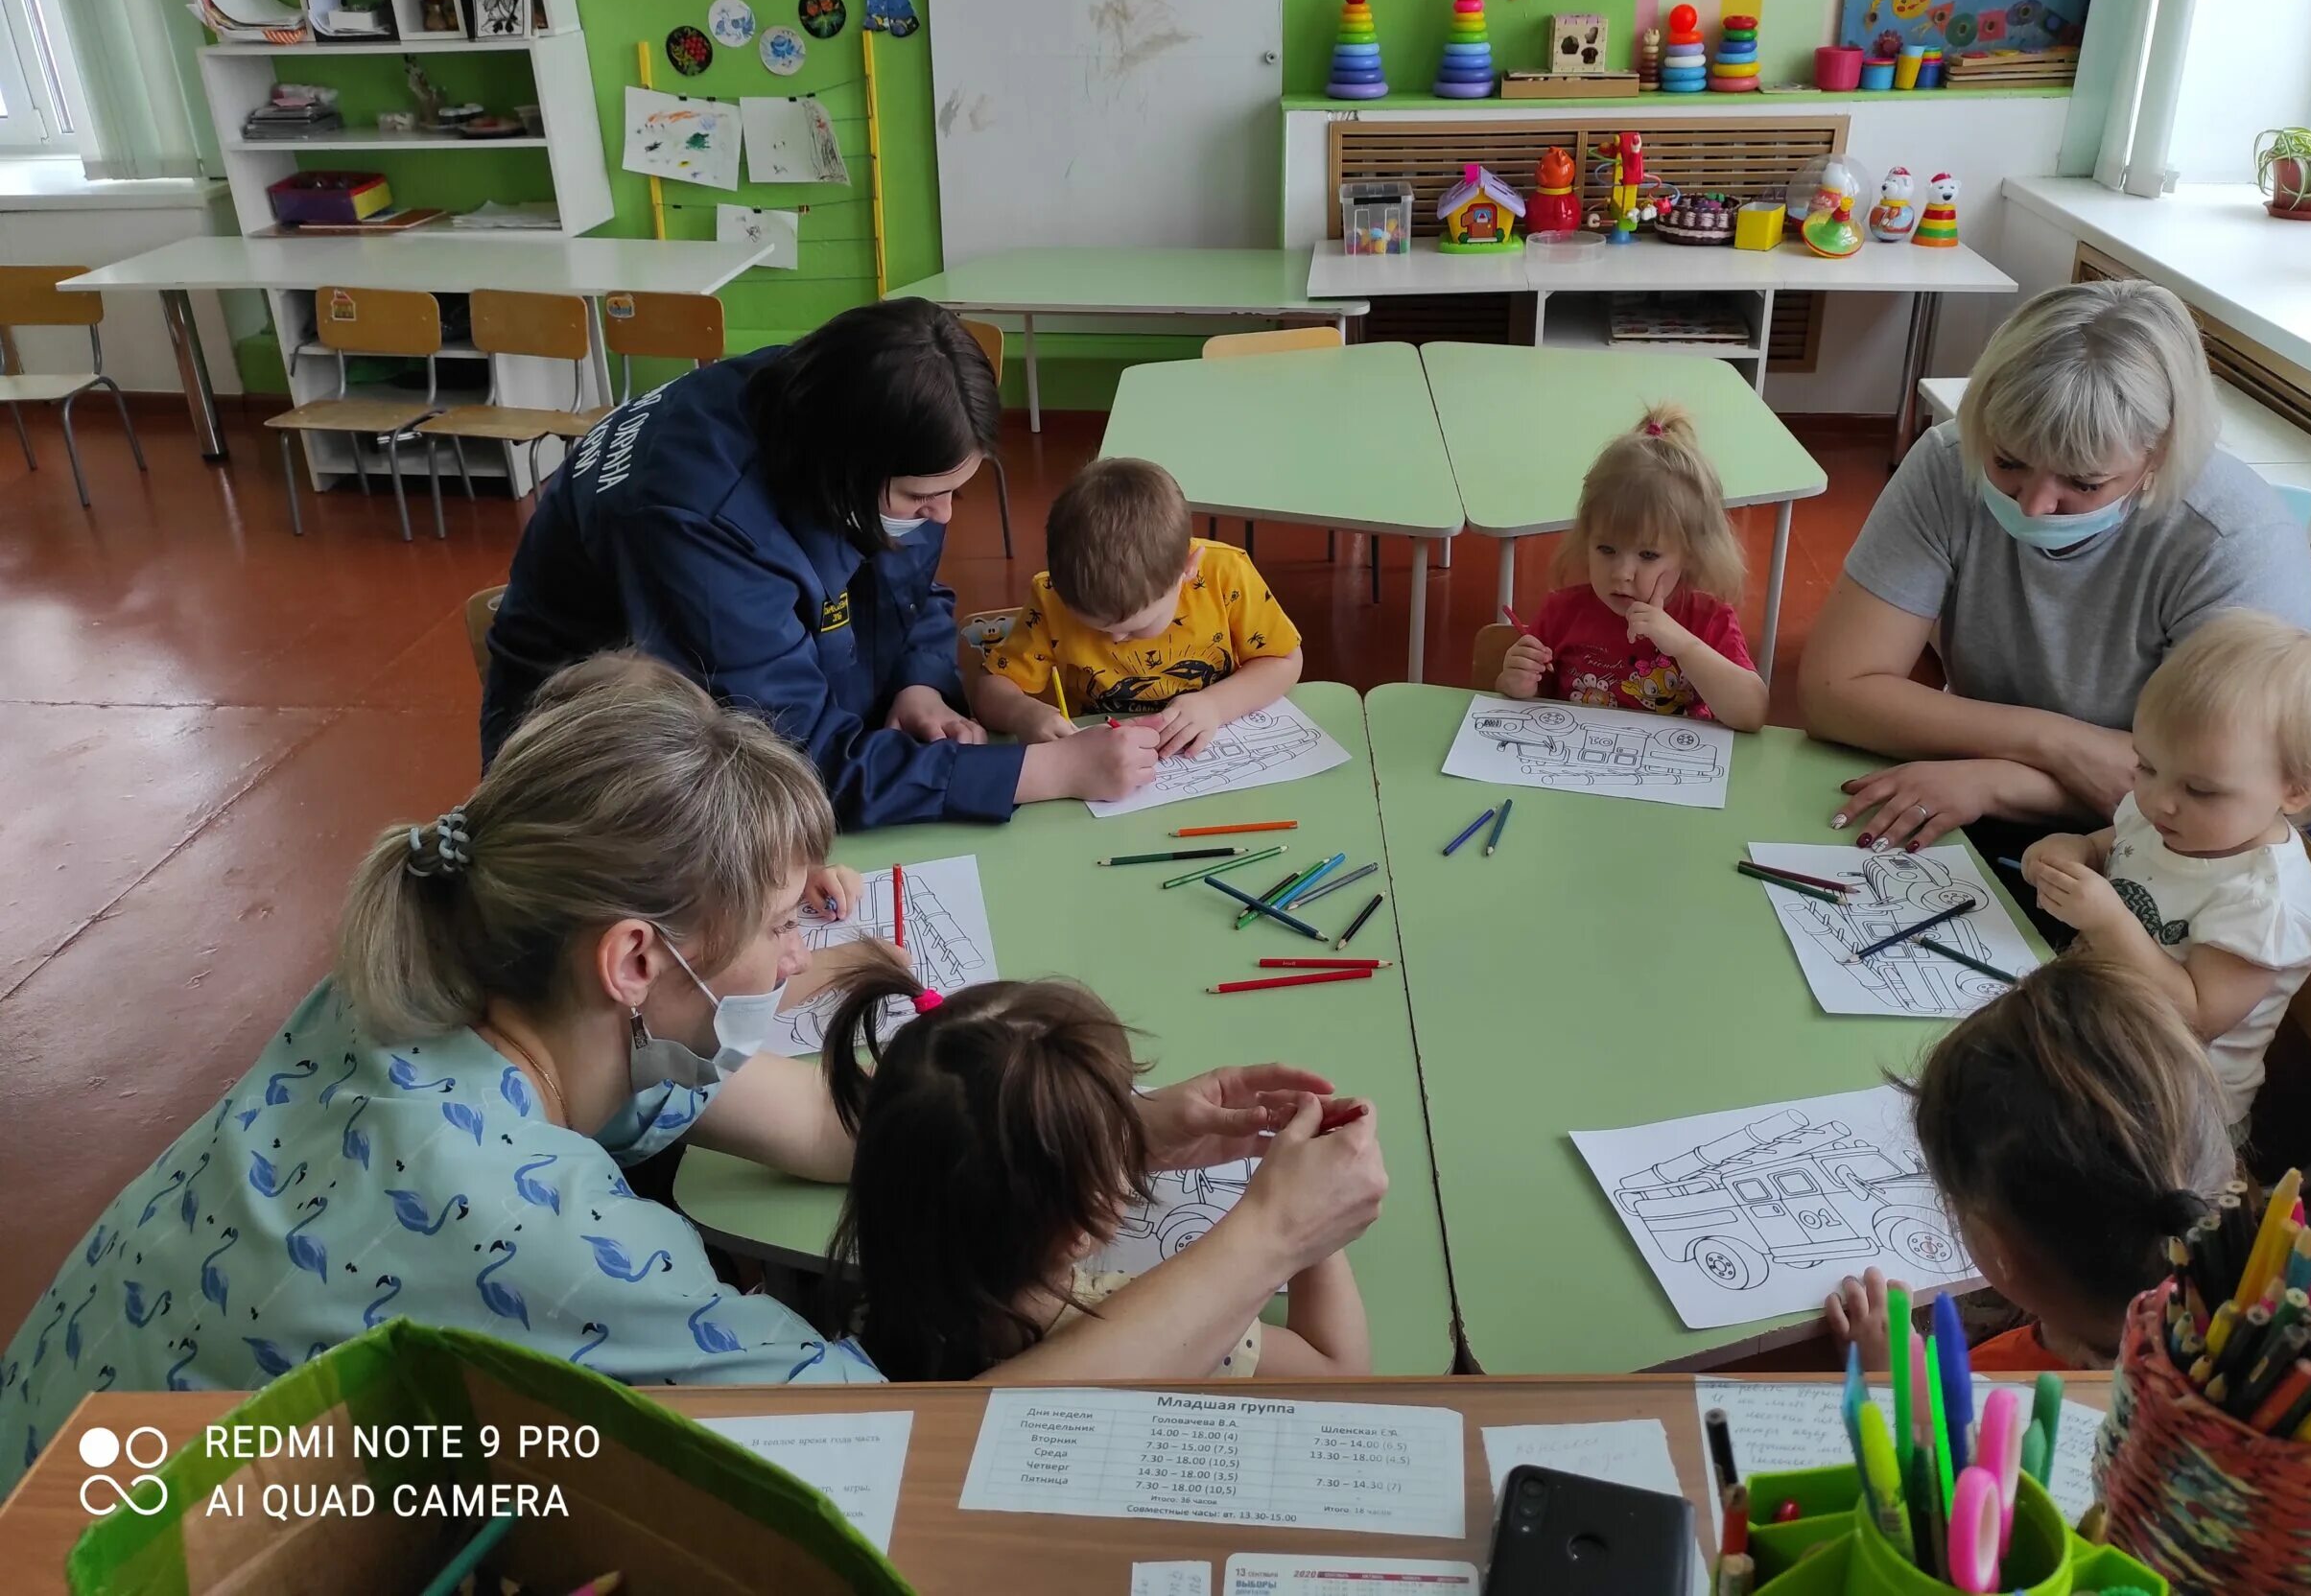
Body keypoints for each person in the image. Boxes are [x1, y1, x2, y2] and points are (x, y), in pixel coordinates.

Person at [0, 656, 1384, 1491]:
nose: (801, 959)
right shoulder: (545, 1241)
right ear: (634, 962)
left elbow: (825, 1127)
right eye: (786, 923)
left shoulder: (460, 968)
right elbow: (937, 1451)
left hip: (56, 1438)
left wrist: (1120, 1130)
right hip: (123, 1541)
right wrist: (1269, 1234)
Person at [479, 300, 1157, 831]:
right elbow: (794, 758)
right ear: (844, 475)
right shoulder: (697, 520)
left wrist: (918, 686)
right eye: (922, 496)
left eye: (957, 489)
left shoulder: (842, 403)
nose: (945, 516)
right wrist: (1044, 773)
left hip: (774, 682)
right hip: (603, 767)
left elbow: (911, 589)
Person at [1804, 280, 2311, 857]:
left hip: (2171, 856)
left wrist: (1996, 781)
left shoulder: (2237, 546)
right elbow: (1833, 691)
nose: (2034, 505)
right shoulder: (1951, 463)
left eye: (2083, 482)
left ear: (2160, 454)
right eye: (2009, 461)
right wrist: (2059, 743)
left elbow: (2217, 797)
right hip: (1970, 791)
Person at [818, 967, 1375, 1382]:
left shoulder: (898, 1284)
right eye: (1121, 1129)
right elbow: (1337, 1369)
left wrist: (1094, 1149)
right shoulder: (1121, 1319)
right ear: (1076, 1230)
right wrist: (1310, 1219)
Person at [1825, 955, 2236, 1372]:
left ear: (1999, 1250)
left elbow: (1934, 1437)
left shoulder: (2001, 1390)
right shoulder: (2261, 1341)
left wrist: (1892, 1387)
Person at [2024, 611, 2311, 1127]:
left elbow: (2195, 1020)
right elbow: (2116, 846)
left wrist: (2107, 922)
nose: (2158, 802)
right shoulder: (2167, 817)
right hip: (2089, 1036)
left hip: (2169, 1107)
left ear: (2295, 790)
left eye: (2200, 789)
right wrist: (2073, 849)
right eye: (2146, 765)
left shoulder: (2265, 901)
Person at [970, 458, 1305, 755]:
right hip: (1106, 760)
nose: (1116, 641)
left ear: (1187, 570)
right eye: (1095, 626)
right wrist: (1022, 712)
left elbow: (1285, 659)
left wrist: (1215, 705)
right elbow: (990, 689)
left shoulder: (1224, 575)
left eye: (1135, 626)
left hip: (1216, 747)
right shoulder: (1052, 597)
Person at [1494, 404, 1767, 729]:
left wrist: (1683, 644)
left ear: (1691, 553)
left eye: (1648, 556)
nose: (1622, 573)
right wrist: (1516, 684)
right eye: (1606, 549)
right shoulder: (1563, 613)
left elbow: (1752, 714)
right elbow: (1532, 704)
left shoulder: (1708, 621)